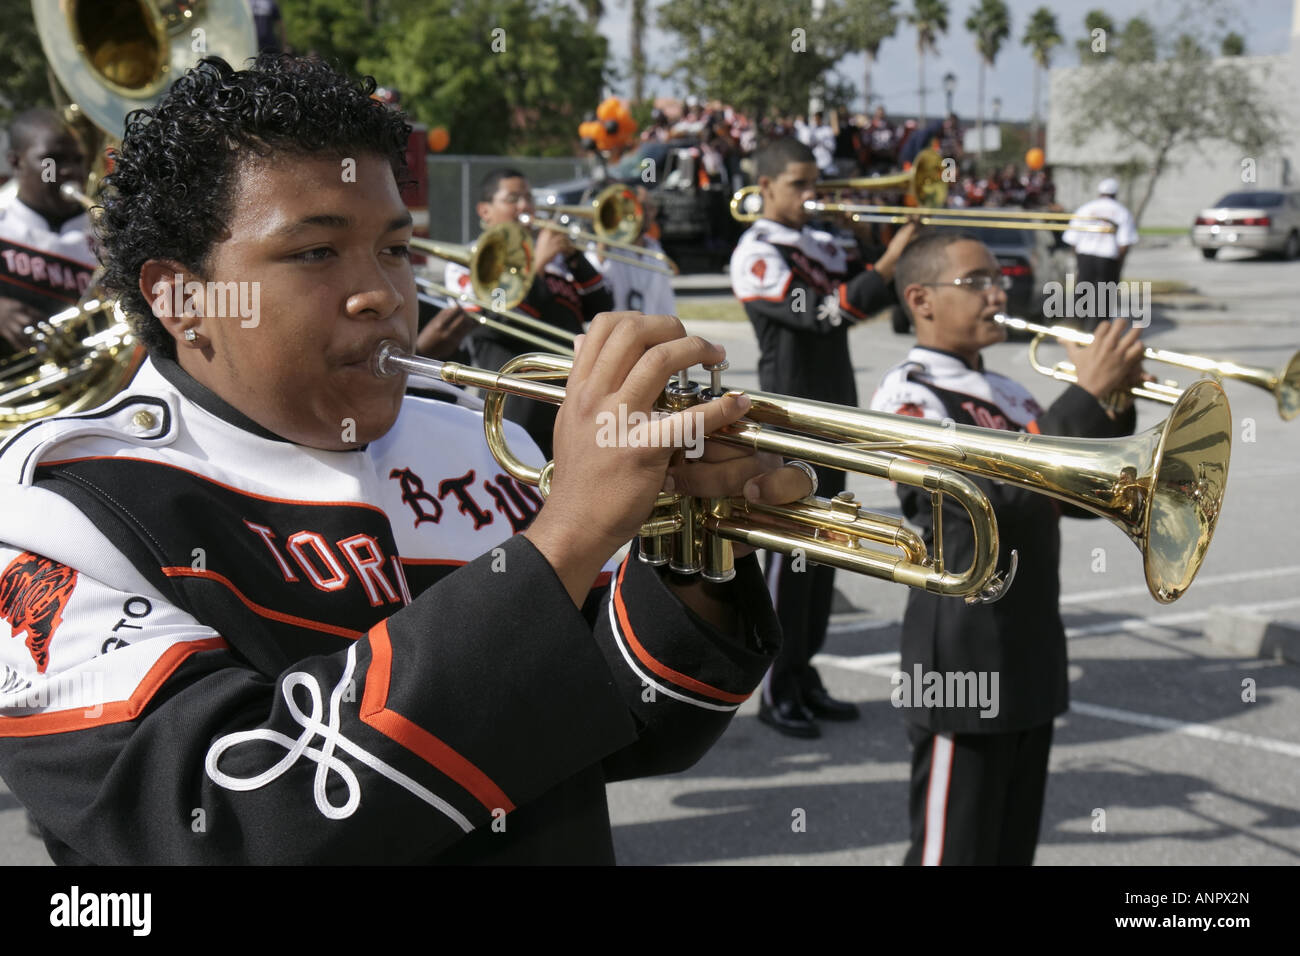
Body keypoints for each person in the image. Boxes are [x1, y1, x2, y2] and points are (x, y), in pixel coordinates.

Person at [0, 53, 814, 865]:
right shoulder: (57, 511)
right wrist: (563, 541)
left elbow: (630, 729)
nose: (383, 295)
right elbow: (230, 819)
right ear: (181, 298)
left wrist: (693, 555)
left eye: (394, 250)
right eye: (316, 254)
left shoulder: (478, 445)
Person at [869, 231, 1146, 865]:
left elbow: (1078, 494)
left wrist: (1112, 398)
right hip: (961, 660)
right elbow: (973, 503)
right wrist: (1080, 396)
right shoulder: (907, 395)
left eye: (999, 280)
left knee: (1008, 852)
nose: (999, 293)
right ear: (922, 299)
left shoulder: (1014, 395)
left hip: (1028, 647)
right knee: (953, 854)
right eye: (977, 282)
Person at [729, 137, 919, 738]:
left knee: (827, 551)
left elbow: (876, 292)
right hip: (788, 421)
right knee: (791, 557)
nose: (813, 197)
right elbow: (826, 312)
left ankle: (805, 672)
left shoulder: (814, 242)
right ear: (765, 189)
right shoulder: (756, 253)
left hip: (832, 414)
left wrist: (883, 246)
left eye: (816, 184)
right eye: (799, 185)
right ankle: (777, 688)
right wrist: (887, 263)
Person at [446, 167, 614, 457]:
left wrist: (575, 259)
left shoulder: (558, 260)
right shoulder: (473, 259)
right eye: (512, 198)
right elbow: (493, 319)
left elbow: (601, 308)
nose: (524, 206)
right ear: (485, 211)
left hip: (571, 392)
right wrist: (536, 262)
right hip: (517, 400)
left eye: (528, 198)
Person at [0, 109, 97, 353]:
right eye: (51, 162)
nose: (69, 171)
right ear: (15, 162)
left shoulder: (107, 232)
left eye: (77, 160)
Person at [1061, 178, 1139, 332]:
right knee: (1103, 300)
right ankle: (1097, 334)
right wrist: (1118, 265)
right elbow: (1124, 243)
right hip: (1108, 259)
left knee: (1082, 295)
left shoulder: (1086, 209)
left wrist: (1079, 260)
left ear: (1099, 192)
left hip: (1085, 256)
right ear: (1115, 194)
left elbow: (1072, 239)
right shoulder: (1122, 212)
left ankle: (1076, 332)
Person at [586, 186, 676, 316]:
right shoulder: (607, 249)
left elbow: (665, 305)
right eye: (644, 207)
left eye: (652, 208)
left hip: (648, 333)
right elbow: (593, 281)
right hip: (614, 333)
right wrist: (605, 235)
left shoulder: (655, 250)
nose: (651, 213)